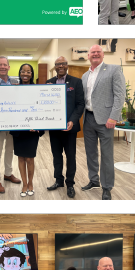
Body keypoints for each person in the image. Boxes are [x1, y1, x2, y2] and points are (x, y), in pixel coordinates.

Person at [81, 45, 126, 200]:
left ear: (103, 55)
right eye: (92, 52)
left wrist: (113, 117)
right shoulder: (85, 76)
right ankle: (94, 181)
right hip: (88, 119)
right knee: (90, 153)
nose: (95, 54)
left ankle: (107, 187)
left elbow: (120, 95)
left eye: (98, 52)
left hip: (106, 120)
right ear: (88, 55)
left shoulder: (113, 70)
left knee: (107, 155)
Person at [46, 57, 85, 199]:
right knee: (56, 156)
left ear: (67, 66)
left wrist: (72, 121)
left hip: (69, 128)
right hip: (54, 128)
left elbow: (80, 104)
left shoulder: (76, 82)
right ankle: (58, 181)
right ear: (55, 67)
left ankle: (70, 184)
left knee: (70, 156)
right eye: (58, 64)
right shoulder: (49, 83)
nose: (60, 66)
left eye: (63, 63)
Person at [0, 56, 21, 194]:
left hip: (13, 124)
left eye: (5, 65)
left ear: (8, 67)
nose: (2, 67)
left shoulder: (16, 83)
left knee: (9, 151)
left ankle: (8, 174)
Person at [10, 63, 45, 197]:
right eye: (23, 71)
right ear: (19, 73)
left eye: (28, 72)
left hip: (32, 130)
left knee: (30, 158)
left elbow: (40, 108)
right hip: (19, 130)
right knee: (21, 158)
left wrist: (38, 127)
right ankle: (24, 184)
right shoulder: (13, 89)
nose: (25, 74)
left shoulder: (37, 89)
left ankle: (31, 183)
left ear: (32, 74)